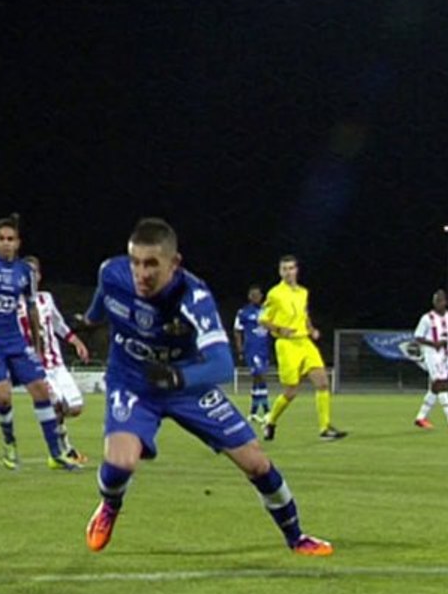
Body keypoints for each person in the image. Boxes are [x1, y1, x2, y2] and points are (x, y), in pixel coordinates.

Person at [75, 217, 333, 556]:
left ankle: (296, 536)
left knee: (256, 462)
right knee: (119, 464)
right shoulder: (112, 273)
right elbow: (101, 302)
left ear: (174, 263)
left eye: (152, 264)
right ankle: (110, 506)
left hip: (187, 386)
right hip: (133, 381)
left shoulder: (193, 296)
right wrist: (90, 323)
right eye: (136, 262)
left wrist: (177, 378)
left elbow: (222, 364)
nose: (141, 273)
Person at [0, 213, 78, 471]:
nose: (6, 243)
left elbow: (32, 308)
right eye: (1, 238)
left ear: (18, 243)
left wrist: (37, 343)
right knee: (3, 395)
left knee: (42, 390)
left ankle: (56, 454)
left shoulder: (25, 272)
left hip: (16, 340)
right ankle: (9, 443)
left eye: (11, 239)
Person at [258, 255, 348, 442]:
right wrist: (279, 329)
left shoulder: (302, 292)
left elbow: (304, 314)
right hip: (286, 344)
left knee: (323, 382)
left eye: (291, 268)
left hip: (304, 342)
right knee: (291, 391)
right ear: (280, 272)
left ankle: (324, 428)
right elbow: (262, 319)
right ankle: (270, 421)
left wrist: (311, 329)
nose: (288, 272)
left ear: (297, 270)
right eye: (285, 269)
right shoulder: (275, 294)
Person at [19, 255, 91, 467]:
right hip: (36, 367)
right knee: (55, 403)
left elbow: (59, 325)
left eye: (34, 272)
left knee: (75, 407)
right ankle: (60, 452)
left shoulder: (46, 299)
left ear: (39, 276)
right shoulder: (13, 303)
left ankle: (61, 442)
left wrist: (77, 342)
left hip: (57, 364)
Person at [411, 289, 448, 429]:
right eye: (436, 300)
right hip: (432, 354)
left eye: (440, 300)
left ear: (446, 302)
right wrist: (433, 343)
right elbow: (418, 336)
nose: (438, 303)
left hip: (446, 355)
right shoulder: (427, 318)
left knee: (435, 388)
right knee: (442, 383)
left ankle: (420, 418)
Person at [233, 284, 273, 423]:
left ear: (262, 297)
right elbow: (237, 331)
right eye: (253, 295)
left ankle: (253, 412)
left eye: (258, 295)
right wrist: (240, 348)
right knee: (260, 376)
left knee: (257, 379)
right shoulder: (243, 312)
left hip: (264, 349)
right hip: (252, 349)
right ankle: (267, 411)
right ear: (249, 297)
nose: (255, 297)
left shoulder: (267, 311)